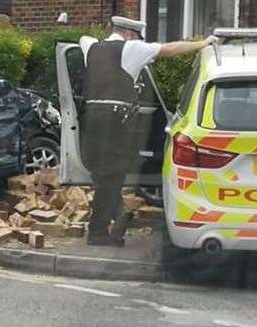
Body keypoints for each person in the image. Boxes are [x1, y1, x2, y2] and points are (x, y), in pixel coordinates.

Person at [79, 16, 216, 246]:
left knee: (101, 174)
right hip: (116, 120)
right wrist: (203, 43)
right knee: (112, 176)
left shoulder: (90, 46)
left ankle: (113, 218)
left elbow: (84, 38)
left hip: (91, 118)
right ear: (131, 35)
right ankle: (98, 233)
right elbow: (170, 50)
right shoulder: (131, 48)